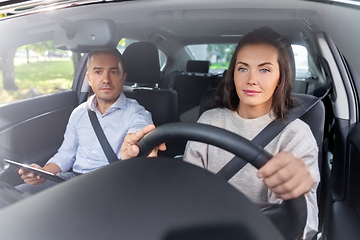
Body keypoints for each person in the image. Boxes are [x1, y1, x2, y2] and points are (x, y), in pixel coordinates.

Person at [183, 27, 319, 240]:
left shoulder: (295, 135)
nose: (251, 79)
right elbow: (188, 193)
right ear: (233, 73)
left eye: (264, 70)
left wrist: (296, 196)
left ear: (281, 76)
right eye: (243, 68)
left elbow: (306, 226)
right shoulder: (209, 120)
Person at [16, 48, 162, 193]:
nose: (106, 79)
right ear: (89, 78)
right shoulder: (79, 113)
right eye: (98, 72)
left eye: (113, 72)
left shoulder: (137, 114)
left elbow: (140, 133)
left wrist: (136, 149)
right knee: (17, 195)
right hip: (73, 180)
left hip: (112, 184)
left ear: (123, 78)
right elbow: (66, 154)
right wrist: (43, 173)